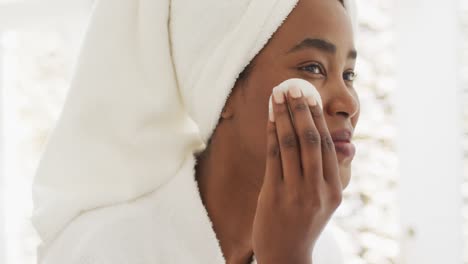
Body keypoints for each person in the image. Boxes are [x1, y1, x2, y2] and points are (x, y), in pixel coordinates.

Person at [31, 0, 359, 263]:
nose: (349, 103)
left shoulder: (325, 251)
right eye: (313, 68)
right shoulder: (100, 252)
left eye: (349, 74)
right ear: (225, 88)